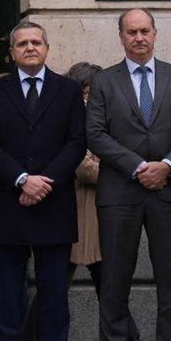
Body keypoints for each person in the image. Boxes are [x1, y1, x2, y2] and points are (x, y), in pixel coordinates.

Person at [85, 7, 171, 341]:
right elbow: (94, 133)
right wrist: (138, 167)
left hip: (169, 192)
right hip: (119, 194)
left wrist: (166, 166)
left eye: (144, 31)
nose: (139, 38)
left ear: (155, 33)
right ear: (121, 37)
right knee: (114, 284)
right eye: (131, 32)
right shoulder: (103, 80)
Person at [0, 19, 86, 341]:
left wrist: (43, 182)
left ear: (47, 48)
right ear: (11, 53)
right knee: (7, 300)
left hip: (54, 206)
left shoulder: (68, 90)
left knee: (54, 300)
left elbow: (77, 142)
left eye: (36, 42)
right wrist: (22, 180)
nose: (30, 48)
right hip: (8, 206)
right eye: (22, 44)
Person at [65, 62, 104, 294]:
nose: (88, 99)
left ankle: (127, 332)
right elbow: (85, 169)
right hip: (71, 212)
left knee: (107, 286)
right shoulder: (70, 120)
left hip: (98, 214)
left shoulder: (99, 121)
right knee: (57, 285)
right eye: (86, 93)